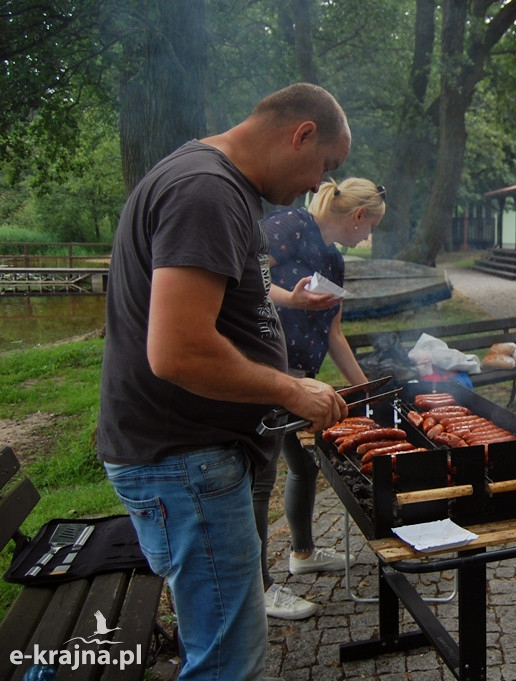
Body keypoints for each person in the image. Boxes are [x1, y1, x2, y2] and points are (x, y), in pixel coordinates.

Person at [96, 83, 351, 681]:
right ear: (301, 134)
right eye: (326, 166)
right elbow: (178, 350)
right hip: (185, 459)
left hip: (191, 459)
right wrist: (291, 389)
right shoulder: (205, 190)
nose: (320, 184)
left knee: (219, 645)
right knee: (227, 663)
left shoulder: (219, 185)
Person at [253, 178, 386, 620]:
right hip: (265, 373)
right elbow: (246, 277)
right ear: (357, 216)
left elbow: (333, 332)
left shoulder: (333, 258)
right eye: (369, 228)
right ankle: (258, 588)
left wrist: (365, 389)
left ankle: (303, 554)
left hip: (303, 378)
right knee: (260, 478)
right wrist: (290, 298)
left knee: (303, 464)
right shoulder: (289, 224)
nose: (367, 237)